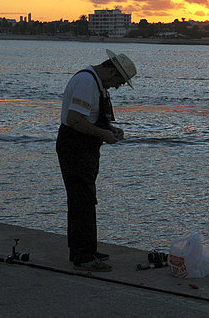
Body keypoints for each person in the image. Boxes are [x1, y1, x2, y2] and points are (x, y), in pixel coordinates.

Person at [56, 49, 137, 272]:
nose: (118, 86)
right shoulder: (86, 82)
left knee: (85, 198)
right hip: (75, 146)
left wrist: (110, 129)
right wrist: (104, 135)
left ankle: (86, 249)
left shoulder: (95, 83)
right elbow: (75, 120)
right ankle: (83, 256)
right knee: (82, 200)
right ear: (111, 70)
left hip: (82, 147)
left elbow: (89, 118)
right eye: (119, 80)